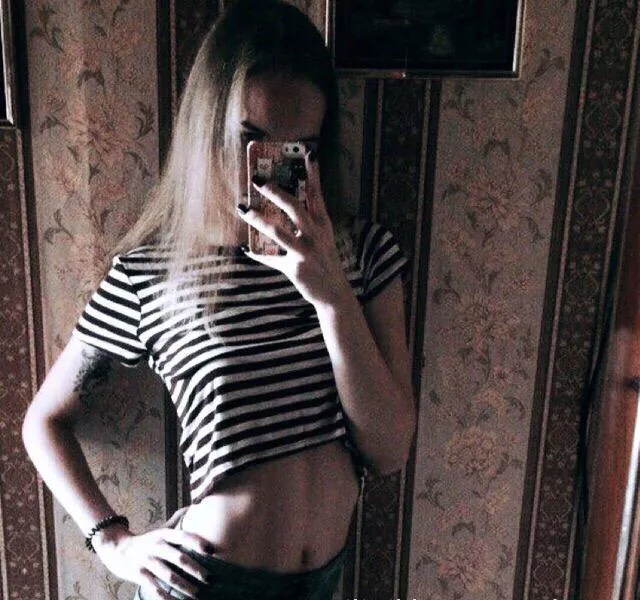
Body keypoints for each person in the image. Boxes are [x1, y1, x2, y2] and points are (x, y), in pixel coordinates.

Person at [21, 1, 416, 599]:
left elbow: (388, 451)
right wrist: (114, 542)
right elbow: (43, 423)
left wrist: (332, 297)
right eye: (252, 143)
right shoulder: (151, 275)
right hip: (205, 585)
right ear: (208, 129)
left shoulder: (363, 255)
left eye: (298, 151)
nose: (269, 176)